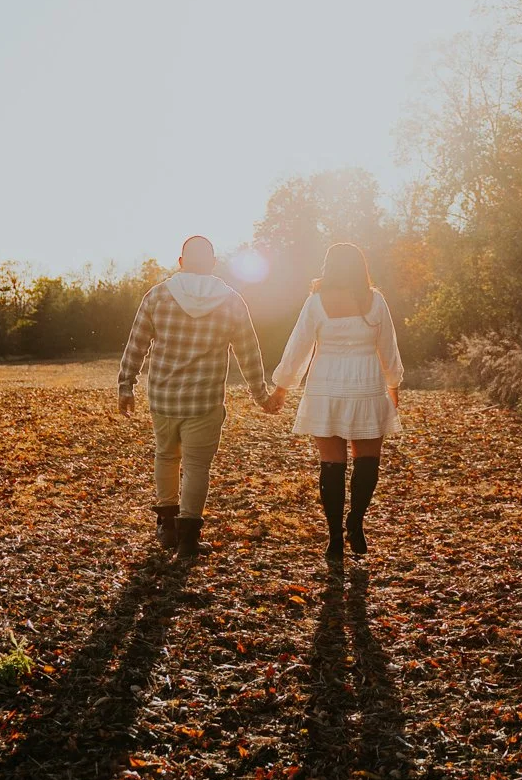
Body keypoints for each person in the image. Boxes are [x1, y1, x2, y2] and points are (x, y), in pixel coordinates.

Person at [118, 236, 284, 556]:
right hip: (205, 399)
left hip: (164, 398)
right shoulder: (231, 300)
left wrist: (126, 385)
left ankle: (166, 527)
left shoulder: (157, 296)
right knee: (196, 467)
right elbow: (248, 352)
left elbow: (136, 343)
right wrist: (260, 395)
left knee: (166, 457)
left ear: (181, 262)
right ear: (212, 263)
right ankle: (188, 539)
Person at [272, 241, 404, 561]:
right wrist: (393, 384)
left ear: (328, 267)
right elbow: (388, 346)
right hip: (366, 385)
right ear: (361, 267)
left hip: (326, 387)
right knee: (367, 460)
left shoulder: (316, 302)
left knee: (331, 463)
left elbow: (298, 347)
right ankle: (355, 522)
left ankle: (333, 539)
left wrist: (282, 387)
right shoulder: (376, 301)